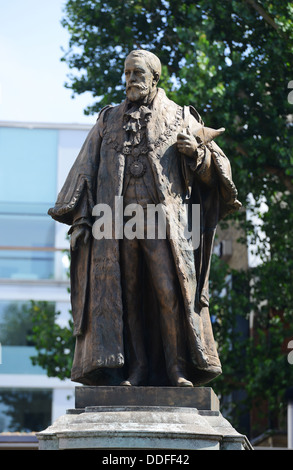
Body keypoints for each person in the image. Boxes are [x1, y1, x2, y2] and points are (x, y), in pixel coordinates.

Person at [48, 49, 241, 387]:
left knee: (169, 293)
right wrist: (80, 220)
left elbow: (217, 174)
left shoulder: (180, 117)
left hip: (161, 223)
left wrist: (196, 154)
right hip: (115, 225)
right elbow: (85, 173)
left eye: (137, 74)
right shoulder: (107, 120)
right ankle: (135, 370)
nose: (130, 81)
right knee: (129, 297)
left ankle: (177, 368)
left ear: (155, 78)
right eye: (126, 74)